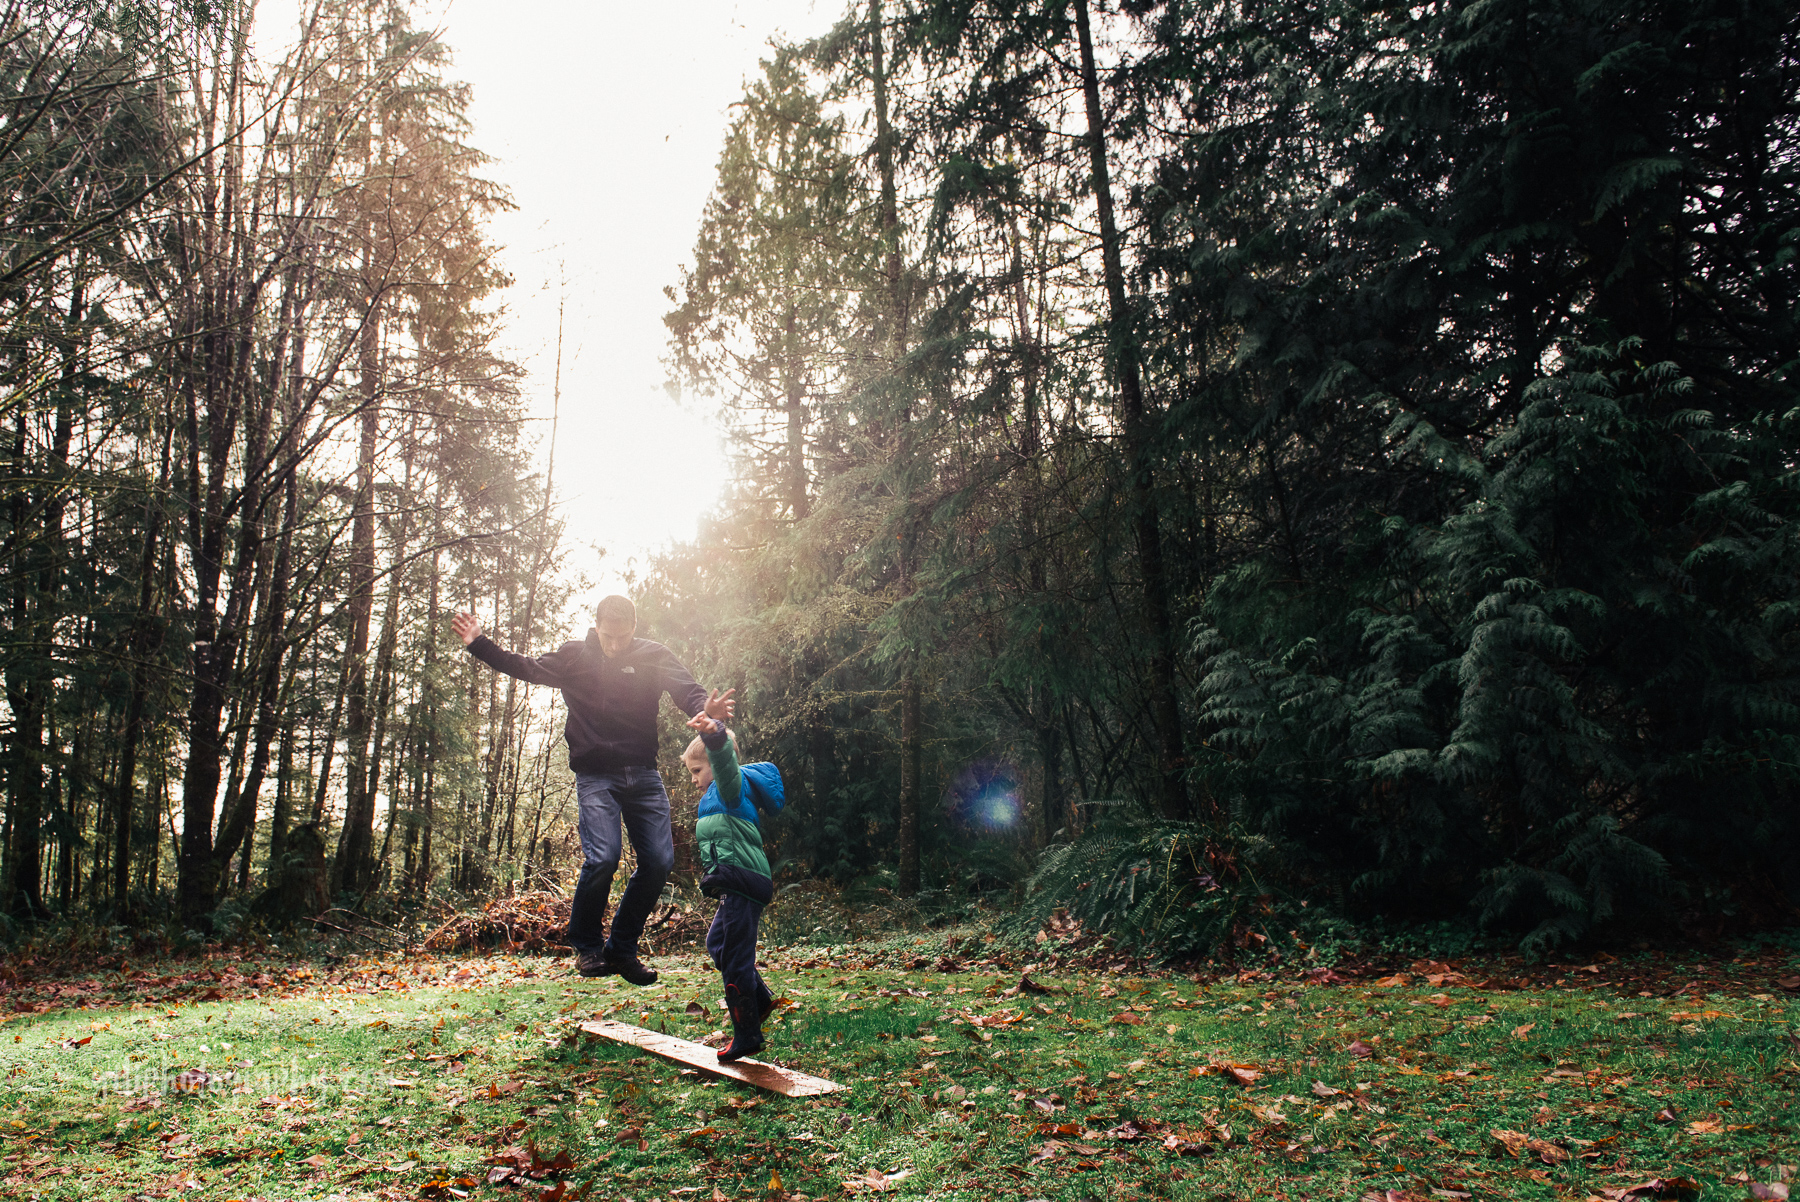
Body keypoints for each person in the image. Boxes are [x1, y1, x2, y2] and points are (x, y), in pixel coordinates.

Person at [451, 595, 732, 986]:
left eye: (623, 637)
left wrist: (704, 709)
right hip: (596, 775)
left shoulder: (653, 655)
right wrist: (479, 643)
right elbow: (527, 667)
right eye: (608, 637)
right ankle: (586, 947)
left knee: (657, 861)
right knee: (602, 857)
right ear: (596, 625)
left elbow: (687, 689)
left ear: (634, 628)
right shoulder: (575, 657)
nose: (615, 645)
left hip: (643, 774)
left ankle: (621, 949)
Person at [682, 710, 783, 1062]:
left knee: (736, 959)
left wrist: (714, 736)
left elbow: (725, 763)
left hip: (743, 881)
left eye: (697, 771)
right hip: (735, 884)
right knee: (718, 944)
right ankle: (760, 999)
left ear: (713, 763)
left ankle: (747, 1035)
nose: (694, 780)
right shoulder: (713, 799)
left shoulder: (728, 788)